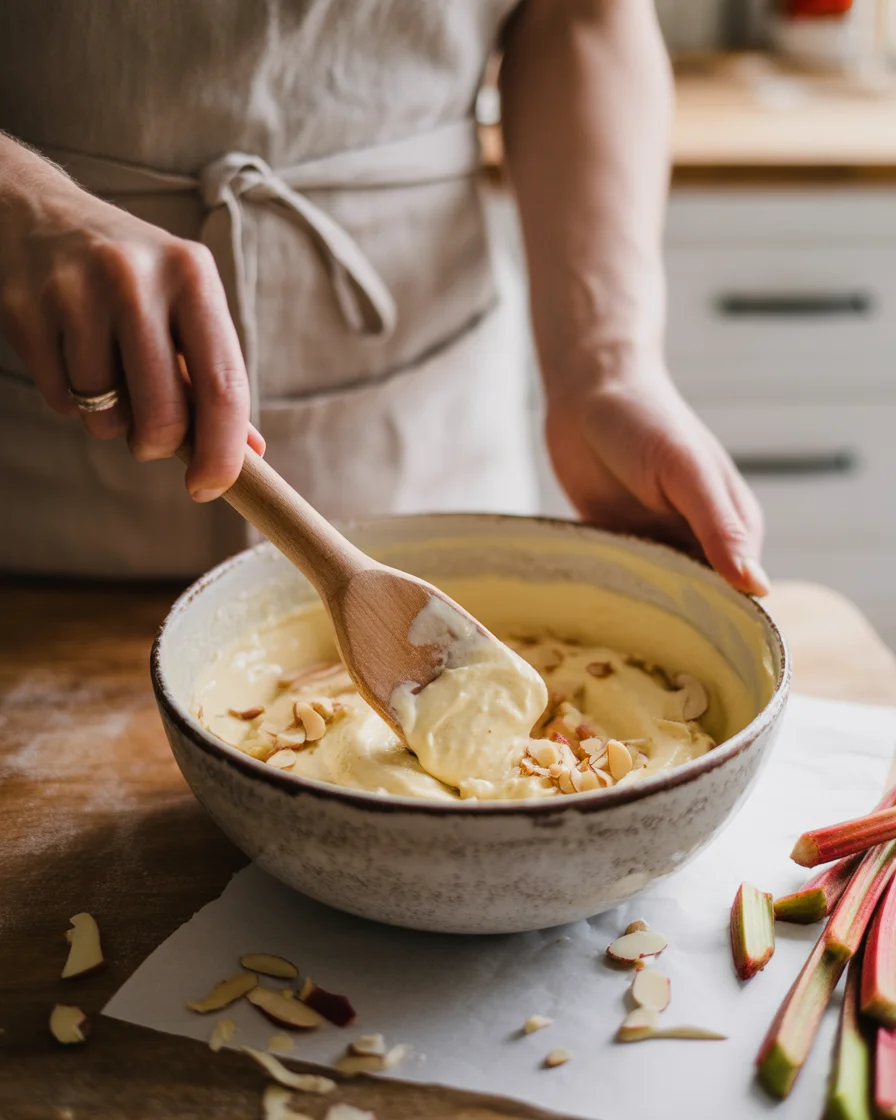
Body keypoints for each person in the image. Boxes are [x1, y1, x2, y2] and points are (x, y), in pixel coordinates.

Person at [0, 0, 767, 594]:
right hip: (35, 491)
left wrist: (606, 365)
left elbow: (584, 16)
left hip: (431, 436)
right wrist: (25, 208)